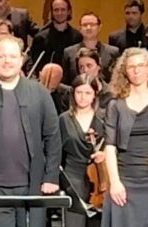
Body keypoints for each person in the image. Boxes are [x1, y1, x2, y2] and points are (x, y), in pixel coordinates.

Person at [0, 35, 62, 227]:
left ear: (21, 59)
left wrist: (51, 176)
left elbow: (53, 137)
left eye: (12, 56)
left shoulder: (39, 92)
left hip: (33, 184)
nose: (7, 61)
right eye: (2, 56)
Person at [101, 47, 148, 227]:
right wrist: (115, 182)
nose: (136, 71)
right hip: (125, 181)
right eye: (131, 67)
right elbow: (110, 146)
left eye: (141, 65)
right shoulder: (116, 105)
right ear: (124, 71)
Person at [58, 77, 105, 227]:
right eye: (79, 92)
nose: (83, 97)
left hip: (100, 180)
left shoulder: (103, 120)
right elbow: (56, 152)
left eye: (87, 92)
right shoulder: (64, 120)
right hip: (73, 178)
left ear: (94, 95)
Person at [62, 12, 120, 84]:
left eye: (92, 24)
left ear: (99, 27)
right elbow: (65, 82)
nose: (88, 28)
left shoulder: (113, 52)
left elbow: (117, 80)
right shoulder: (69, 52)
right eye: (85, 25)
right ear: (80, 28)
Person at [28, 0, 81, 73]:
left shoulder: (77, 37)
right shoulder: (40, 38)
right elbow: (35, 64)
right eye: (56, 10)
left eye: (63, 9)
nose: (59, 13)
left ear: (69, 11)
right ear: (52, 12)